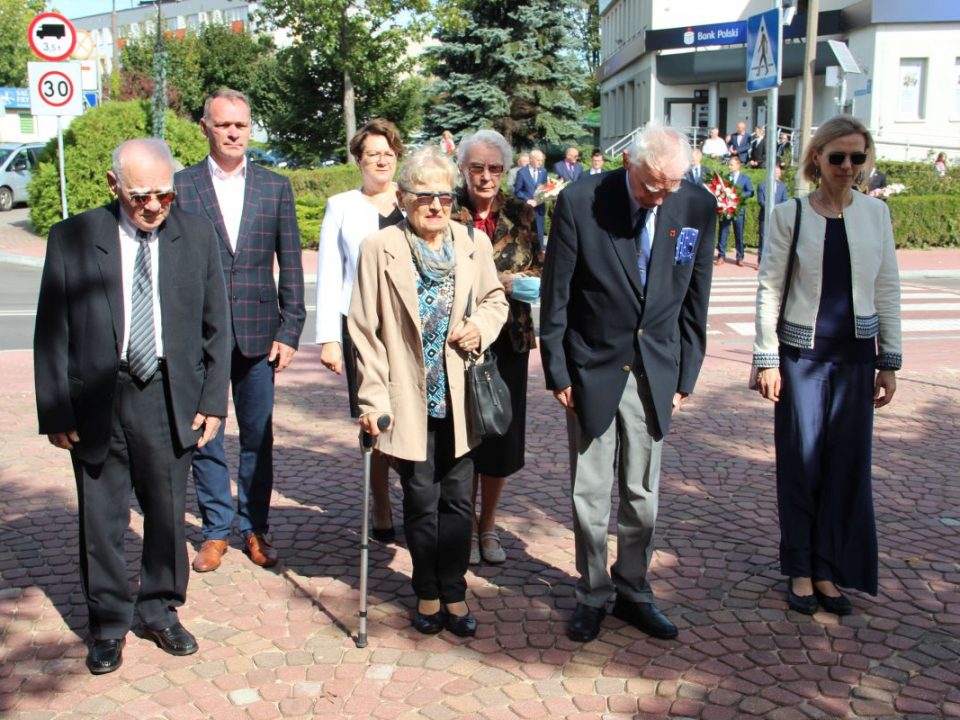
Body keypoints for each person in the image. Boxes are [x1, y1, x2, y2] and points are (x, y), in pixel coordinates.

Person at [34, 138, 231, 674]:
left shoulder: (196, 235)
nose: (153, 206)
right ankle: (107, 624)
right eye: (140, 195)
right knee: (101, 518)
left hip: (168, 393)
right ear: (112, 184)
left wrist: (214, 400)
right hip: (97, 397)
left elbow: (217, 325)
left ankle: (160, 610)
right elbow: (51, 329)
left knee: (166, 512)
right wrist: (56, 410)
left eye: (164, 195)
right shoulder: (74, 237)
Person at [540, 122, 716, 643]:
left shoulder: (696, 206)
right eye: (650, 185)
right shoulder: (580, 201)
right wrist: (558, 371)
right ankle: (592, 592)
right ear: (627, 164)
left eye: (670, 186)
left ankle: (634, 590)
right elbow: (557, 294)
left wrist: (686, 375)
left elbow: (696, 297)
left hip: (656, 369)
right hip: (591, 366)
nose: (660, 196)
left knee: (642, 492)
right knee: (590, 491)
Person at [348, 146, 508, 637]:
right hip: (407, 397)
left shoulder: (472, 243)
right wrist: (372, 400)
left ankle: (455, 592)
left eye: (444, 196)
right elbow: (363, 330)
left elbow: (495, 299)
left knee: (458, 501)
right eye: (423, 196)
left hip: (460, 397)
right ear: (403, 198)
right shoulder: (380, 247)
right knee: (421, 499)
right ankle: (427, 591)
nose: (436, 205)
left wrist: (480, 327)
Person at [753, 115, 901, 617]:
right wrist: (767, 358)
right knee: (801, 462)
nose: (848, 166)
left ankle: (827, 568)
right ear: (817, 157)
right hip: (803, 358)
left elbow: (887, 288)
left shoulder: (876, 215)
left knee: (846, 466)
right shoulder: (789, 214)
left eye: (858, 157)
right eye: (838, 156)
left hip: (856, 359)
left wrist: (889, 360)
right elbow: (770, 288)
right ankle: (799, 566)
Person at [175, 88, 306, 573]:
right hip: (198, 335)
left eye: (241, 125)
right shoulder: (181, 186)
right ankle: (215, 530)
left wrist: (290, 329)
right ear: (205, 128)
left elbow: (290, 262)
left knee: (257, 436)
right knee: (204, 434)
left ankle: (254, 526)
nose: (233, 133)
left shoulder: (275, 187)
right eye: (223, 124)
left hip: (259, 332)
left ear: (250, 128)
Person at [452, 129, 542, 565]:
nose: (485, 176)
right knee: (463, 436)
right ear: (462, 169)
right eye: (477, 167)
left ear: (505, 171)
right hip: (458, 339)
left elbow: (540, 269)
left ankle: (487, 526)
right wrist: (494, 282)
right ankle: (463, 526)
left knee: (500, 436)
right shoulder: (446, 209)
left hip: (509, 339)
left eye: (494, 168)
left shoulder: (523, 213)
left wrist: (511, 283)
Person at [315, 119, 405, 542]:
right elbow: (330, 273)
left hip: (409, 328)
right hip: (362, 328)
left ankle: (417, 497)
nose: (381, 160)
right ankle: (381, 503)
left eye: (388, 153)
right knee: (374, 417)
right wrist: (330, 339)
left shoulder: (414, 200)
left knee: (414, 414)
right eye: (372, 154)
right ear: (358, 159)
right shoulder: (341, 206)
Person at [716, 156, 755, 266]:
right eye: (729, 164)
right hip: (726, 209)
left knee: (739, 234)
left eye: (731, 164)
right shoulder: (725, 178)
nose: (729, 166)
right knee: (723, 232)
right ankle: (721, 256)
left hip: (738, 210)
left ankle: (740, 257)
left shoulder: (745, 178)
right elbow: (720, 191)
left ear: (738, 165)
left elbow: (751, 192)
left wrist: (739, 195)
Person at [756, 162, 789, 266]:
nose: (777, 174)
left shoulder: (783, 186)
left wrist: (776, 209)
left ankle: (774, 261)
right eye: (775, 172)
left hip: (778, 216)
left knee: (777, 239)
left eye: (778, 173)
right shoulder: (762, 185)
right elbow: (761, 201)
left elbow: (784, 200)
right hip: (764, 216)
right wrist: (770, 208)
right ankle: (761, 260)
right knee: (763, 238)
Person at [514, 148, 548, 245]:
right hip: (527, 208)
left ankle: (540, 251)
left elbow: (545, 188)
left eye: (541, 160)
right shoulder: (522, 172)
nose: (540, 162)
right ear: (531, 159)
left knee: (539, 232)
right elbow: (518, 191)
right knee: (528, 232)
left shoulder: (543, 171)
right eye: (538, 160)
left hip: (539, 207)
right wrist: (527, 199)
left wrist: (546, 195)